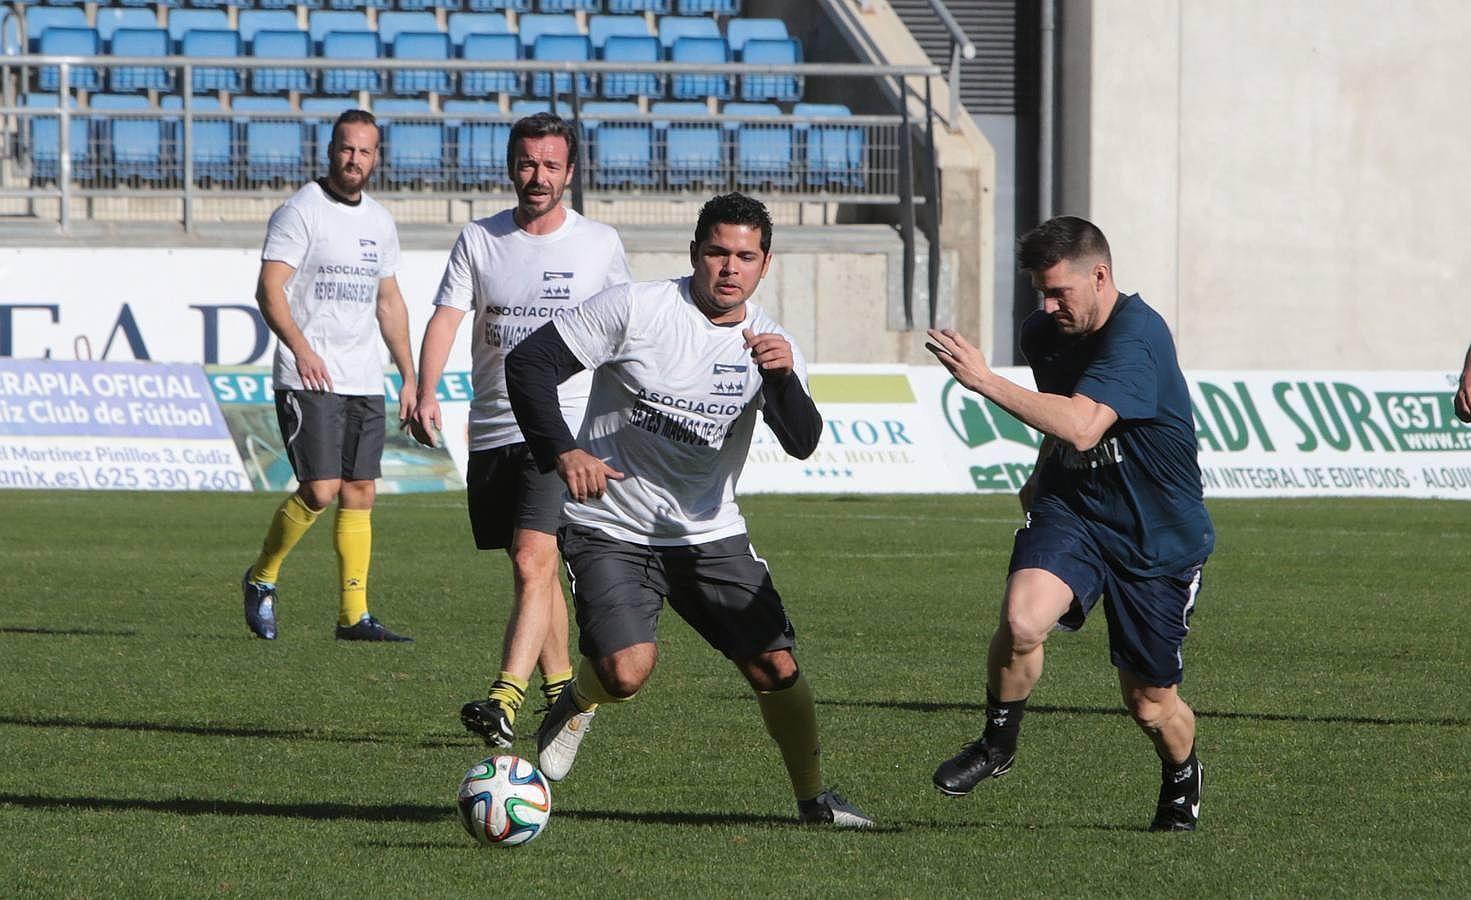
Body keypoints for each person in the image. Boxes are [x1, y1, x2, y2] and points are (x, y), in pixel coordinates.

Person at [503, 192, 873, 828]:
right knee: (624, 672)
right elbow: (529, 364)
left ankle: (816, 800)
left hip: (708, 531)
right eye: (717, 252)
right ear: (695, 253)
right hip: (611, 525)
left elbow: (803, 441)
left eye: (745, 257)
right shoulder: (636, 308)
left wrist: (782, 380)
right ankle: (576, 699)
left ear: (766, 264)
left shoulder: (772, 344)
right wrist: (564, 453)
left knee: (775, 665)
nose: (730, 268)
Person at [925, 216, 1214, 831]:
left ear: (1101, 275)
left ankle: (1183, 773)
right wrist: (1042, 467)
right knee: (1023, 619)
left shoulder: (1138, 336)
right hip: (1076, 506)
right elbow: (1064, 421)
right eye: (1041, 291)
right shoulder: (1045, 332)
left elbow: (1084, 424)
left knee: (1149, 702)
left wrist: (982, 380)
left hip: (1154, 534)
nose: (1048, 305)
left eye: (1061, 292)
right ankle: (997, 744)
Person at [412, 113, 632, 746]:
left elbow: (625, 334)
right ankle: (563, 693)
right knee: (530, 566)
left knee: (534, 557)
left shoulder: (599, 244)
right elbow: (448, 319)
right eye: (528, 164)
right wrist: (425, 390)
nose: (539, 177)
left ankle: (502, 699)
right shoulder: (479, 239)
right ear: (512, 166)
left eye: (551, 165)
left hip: (563, 433)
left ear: (570, 172)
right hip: (491, 429)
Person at [241, 109, 417, 643]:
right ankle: (262, 577)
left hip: (363, 376)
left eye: (364, 151)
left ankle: (353, 616)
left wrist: (409, 376)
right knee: (320, 489)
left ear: (376, 157)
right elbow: (269, 289)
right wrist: (301, 348)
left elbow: (389, 303)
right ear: (330, 150)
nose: (354, 159)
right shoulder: (301, 212)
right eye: (346, 148)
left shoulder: (380, 222)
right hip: (308, 375)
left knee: (360, 490)